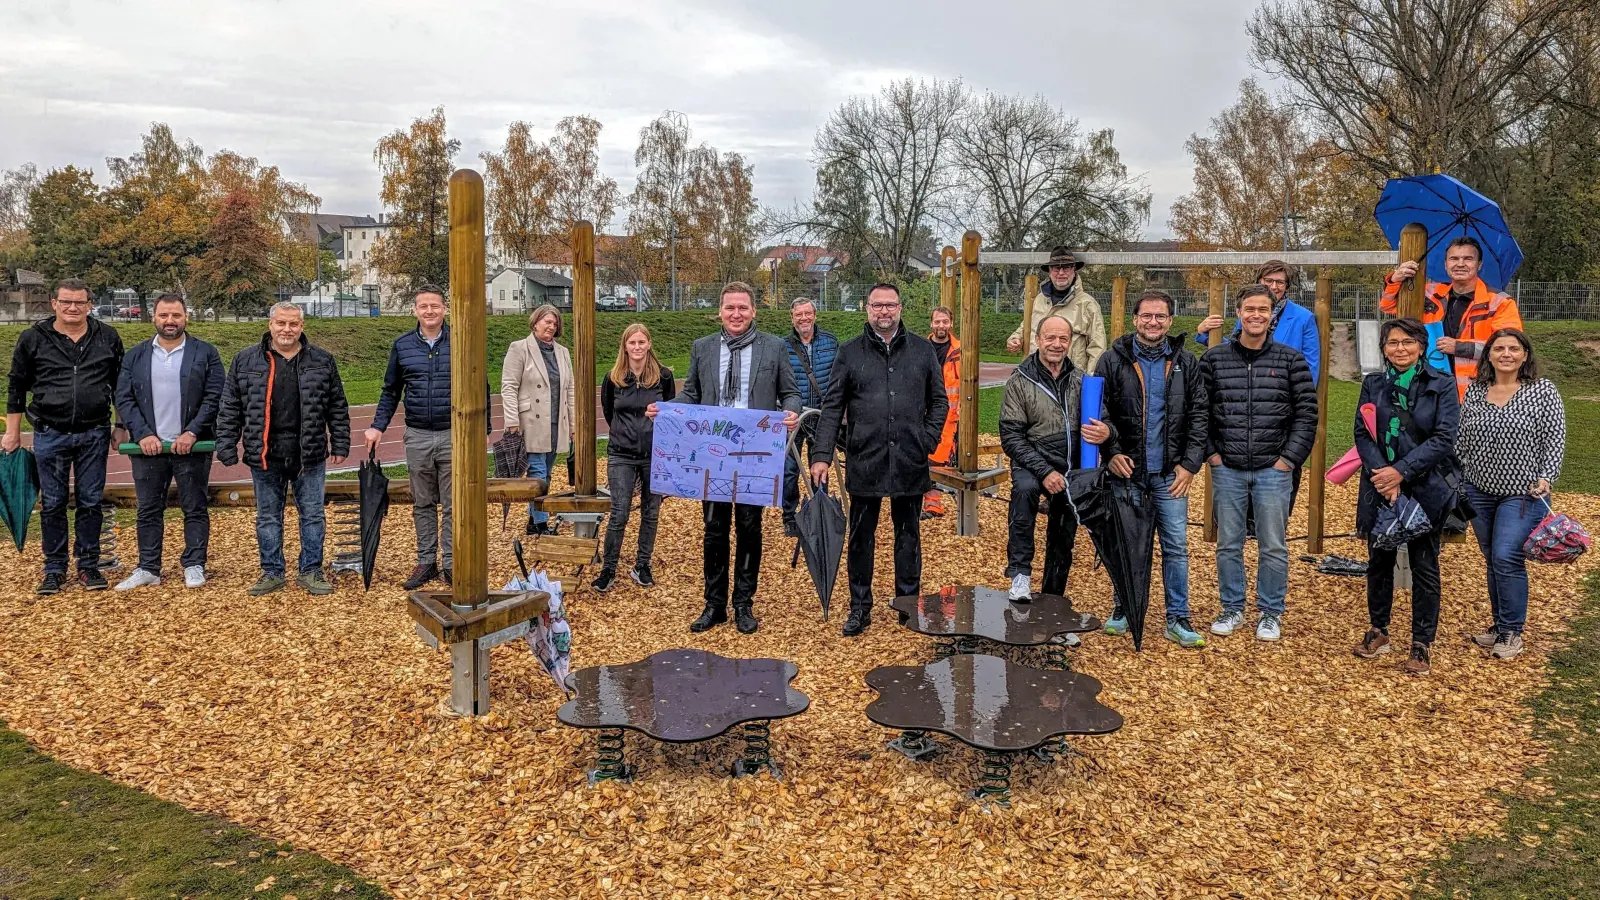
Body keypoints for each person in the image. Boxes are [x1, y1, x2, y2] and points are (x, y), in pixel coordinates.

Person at [651, 282, 800, 635]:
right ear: (720, 311)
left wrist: (791, 411)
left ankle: (743, 604)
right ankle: (714, 604)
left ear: (753, 312)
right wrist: (666, 410)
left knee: (750, 528)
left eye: (743, 308)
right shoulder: (702, 348)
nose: (736, 314)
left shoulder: (774, 347)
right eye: (730, 308)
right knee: (714, 529)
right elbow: (692, 393)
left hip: (754, 453)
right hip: (712, 454)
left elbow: (790, 392)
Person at [810, 283, 948, 637]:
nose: (884, 312)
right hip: (865, 457)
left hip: (908, 457)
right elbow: (832, 407)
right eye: (877, 305)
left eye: (890, 305)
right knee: (861, 536)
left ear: (900, 308)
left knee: (908, 536)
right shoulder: (850, 352)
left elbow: (940, 402)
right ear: (866, 309)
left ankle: (907, 603)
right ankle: (860, 606)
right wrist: (821, 455)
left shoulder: (920, 351)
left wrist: (926, 440)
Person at [1200, 285, 1318, 641]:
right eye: (1249, 309)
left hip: (1272, 467)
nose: (1256, 315)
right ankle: (1232, 606)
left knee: (1273, 544)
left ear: (1272, 316)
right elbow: (1199, 411)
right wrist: (1212, 455)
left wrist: (1288, 460)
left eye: (1263, 310)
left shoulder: (1290, 360)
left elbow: (1306, 415)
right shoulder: (1215, 359)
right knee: (1229, 543)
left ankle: (1270, 612)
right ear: (1239, 313)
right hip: (1229, 466)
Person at [1094, 289, 1209, 649]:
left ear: (1171, 321)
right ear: (1135, 319)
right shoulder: (1112, 361)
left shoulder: (1186, 363)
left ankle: (1178, 616)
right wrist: (1111, 451)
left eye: (1161, 316)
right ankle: (1124, 608)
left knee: (1175, 547)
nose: (1153, 322)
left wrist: (1190, 465)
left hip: (1170, 475)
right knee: (1127, 544)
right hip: (1128, 472)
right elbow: (1100, 412)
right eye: (1147, 316)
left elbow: (1200, 416)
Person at [216, 302, 350, 597]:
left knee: (313, 515)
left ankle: (311, 570)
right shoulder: (246, 360)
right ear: (270, 324)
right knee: (267, 516)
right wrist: (226, 443)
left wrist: (340, 442)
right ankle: (272, 571)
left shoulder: (322, 360)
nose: (287, 330)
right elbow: (230, 406)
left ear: (302, 326)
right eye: (281, 324)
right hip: (265, 453)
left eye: (293, 324)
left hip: (309, 453)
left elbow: (337, 405)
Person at [1351, 318, 1460, 675]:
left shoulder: (1440, 384)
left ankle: (1421, 642)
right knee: (1378, 560)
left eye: (1407, 342)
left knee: (1424, 564)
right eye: (1392, 342)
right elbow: (1362, 433)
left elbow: (1443, 438)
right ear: (1383, 348)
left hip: (1425, 484)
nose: (1400, 349)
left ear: (1420, 346)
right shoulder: (1373, 384)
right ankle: (1379, 628)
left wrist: (1403, 472)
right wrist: (1384, 473)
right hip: (1380, 483)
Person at [5, 278, 125, 594]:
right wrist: (12, 432)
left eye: (80, 302)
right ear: (54, 303)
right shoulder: (33, 338)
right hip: (50, 432)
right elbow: (17, 386)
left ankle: (88, 566)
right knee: (54, 502)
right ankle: (54, 569)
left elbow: (120, 386)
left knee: (90, 500)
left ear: (90, 304)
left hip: (94, 432)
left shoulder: (107, 337)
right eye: (66, 301)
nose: (73, 307)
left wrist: (121, 425)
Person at [1455, 328, 1566, 661]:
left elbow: (1554, 438)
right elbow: (1461, 439)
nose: (1506, 354)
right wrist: (1458, 478)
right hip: (1479, 489)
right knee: (1493, 559)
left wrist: (1547, 476)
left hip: (1523, 492)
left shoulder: (1542, 391)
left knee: (1506, 556)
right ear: (1488, 354)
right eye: (1499, 348)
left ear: (1525, 355)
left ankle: (1512, 631)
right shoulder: (1476, 391)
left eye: (1513, 348)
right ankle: (1500, 624)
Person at [112, 293, 224, 591]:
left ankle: (194, 564)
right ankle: (148, 567)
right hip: (148, 448)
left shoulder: (205, 353)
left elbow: (214, 397)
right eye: (164, 315)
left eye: (176, 315)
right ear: (154, 317)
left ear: (186, 317)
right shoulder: (136, 356)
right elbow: (123, 397)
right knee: (148, 508)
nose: (170, 321)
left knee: (195, 506)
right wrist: (143, 433)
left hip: (191, 447)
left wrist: (193, 432)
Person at [998, 315, 1112, 602]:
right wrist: (1044, 471)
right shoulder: (1020, 381)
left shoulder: (1080, 380)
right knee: (1024, 492)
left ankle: (1053, 595)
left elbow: (1104, 419)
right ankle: (1020, 573)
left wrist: (1106, 430)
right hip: (1032, 457)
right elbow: (1011, 437)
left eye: (1063, 338)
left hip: (1070, 462)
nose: (1057, 344)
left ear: (1070, 342)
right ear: (1038, 340)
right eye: (1050, 338)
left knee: (1064, 528)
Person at [365, 285, 458, 589]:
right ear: (415, 310)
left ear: (445, 309)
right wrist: (378, 426)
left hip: (452, 434)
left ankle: (452, 563)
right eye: (424, 306)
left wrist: (481, 430)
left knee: (453, 502)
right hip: (417, 433)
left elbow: (478, 384)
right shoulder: (403, 346)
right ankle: (426, 560)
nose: (430, 311)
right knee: (423, 501)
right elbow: (391, 390)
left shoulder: (459, 340)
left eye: (435, 305)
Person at [1381, 236, 1523, 399]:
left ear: (1479, 265)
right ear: (1446, 264)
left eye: (1468, 259)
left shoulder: (1500, 302)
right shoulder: (1429, 293)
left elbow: (1509, 349)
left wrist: (1459, 347)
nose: (1460, 264)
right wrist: (1395, 279)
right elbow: (1388, 306)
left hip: (1479, 393)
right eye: (1454, 258)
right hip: (1430, 390)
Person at [594, 323, 676, 592]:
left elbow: (670, 411)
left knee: (651, 512)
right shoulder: (613, 378)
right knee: (619, 512)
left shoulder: (663, 377)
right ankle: (609, 568)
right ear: (625, 346)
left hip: (654, 454)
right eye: (633, 343)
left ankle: (643, 564)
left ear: (649, 344)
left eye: (642, 342)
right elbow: (609, 412)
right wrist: (626, 433)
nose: (638, 347)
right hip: (621, 454)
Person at [502, 304, 575, 535]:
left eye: (554, 323)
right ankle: (540, 523)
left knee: (547, 472)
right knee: (537, 472)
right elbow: (509, 385)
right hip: (531, 421)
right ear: (535, 323)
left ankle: (534, 519)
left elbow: (570, 389)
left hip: (555, 421)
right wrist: (512, 419)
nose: (551, 326)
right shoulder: (520, 349)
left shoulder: (562, 352)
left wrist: (573, 425)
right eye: (547, 322)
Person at [1196, 260, 1321, 384]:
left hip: (1282, 392)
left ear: (1287, 285)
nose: (1274, 286)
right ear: (1259, 281)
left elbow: (1310, 366)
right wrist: (1205, 334)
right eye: (1268, 280)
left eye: (1280, 282)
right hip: (1247, 387)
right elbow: (1235, 350)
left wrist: (1298, 398)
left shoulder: (1304, 318)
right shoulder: (1248, 316)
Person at [781, 297, 838, 537]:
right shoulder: (782, 346)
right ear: (792, 318)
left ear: (814, 315)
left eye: (807, 313)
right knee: (789, 468)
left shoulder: (830, 342)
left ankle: (820, 510)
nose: (803, 318)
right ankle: (789, 515)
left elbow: (838, 376)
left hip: (821, 414)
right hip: (794, 415)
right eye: (798, 315)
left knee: (821, 464)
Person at [1005, 246, 1106, 373]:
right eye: (1056, 268)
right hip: (1035, 376)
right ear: (1049, 271)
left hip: (1070, 381)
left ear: (1074, 270)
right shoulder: (1039, 299)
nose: (1061, 273)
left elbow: (1097, 348)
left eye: (1066, 267)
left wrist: (1090, 385)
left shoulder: (1088, 304)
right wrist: (1016, 338)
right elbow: (1027, 326)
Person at [922, 305, 961, 518]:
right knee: (919, 454)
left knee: (937, 457)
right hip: (922, 411)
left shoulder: (959, 351)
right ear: (931, 324)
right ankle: (922, 501)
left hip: (949, 415)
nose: (941, 326)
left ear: (951, 324)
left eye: (945, 322)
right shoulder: (920, 348)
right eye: (937, 322)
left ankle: (933, 503)